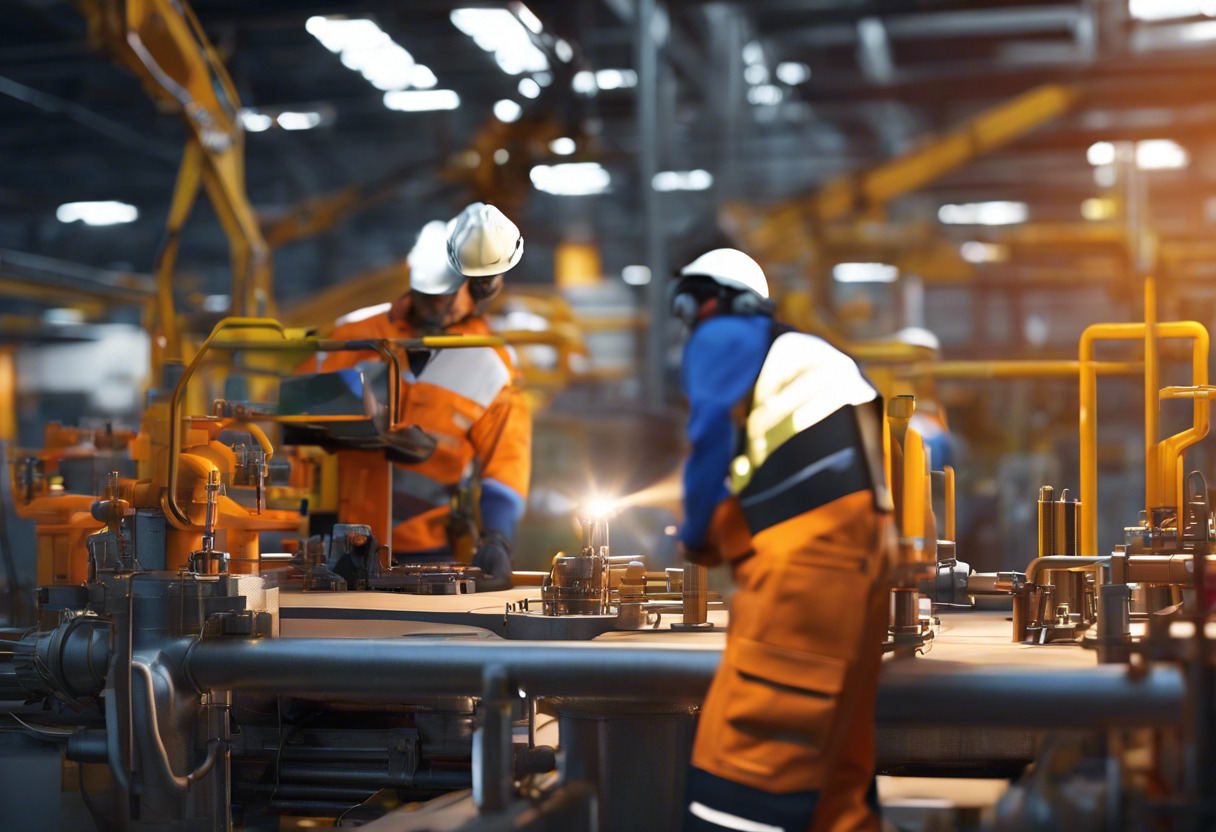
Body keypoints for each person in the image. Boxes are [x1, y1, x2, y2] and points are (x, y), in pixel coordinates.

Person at [673, 248, 893, 832]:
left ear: (708, 298)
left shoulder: (723, 336)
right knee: (836, 784)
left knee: (748, 766)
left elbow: (709, 439)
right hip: (864, 559)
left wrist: (695, 536)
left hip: (812, 561)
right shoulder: (804, 357)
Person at [302, 203, 530, 587]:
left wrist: (497, 537)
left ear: (474, 287)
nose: (438, 304)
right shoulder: (351, 336)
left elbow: (507, 464)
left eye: (447, 295)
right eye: (430, 294)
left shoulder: (490, 361)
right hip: (332, 542)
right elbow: (293, 416)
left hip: (427, 551)